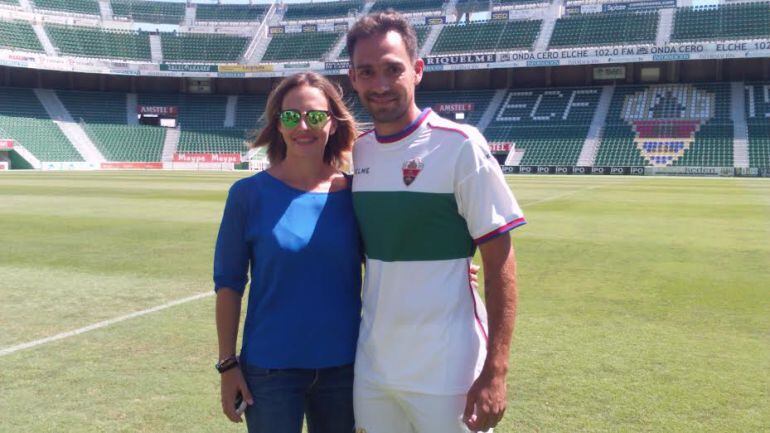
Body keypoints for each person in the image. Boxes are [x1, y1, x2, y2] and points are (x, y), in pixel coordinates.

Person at [346, 11, 526, 433]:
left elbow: (500, 260)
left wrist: (497, 369)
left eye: (393, 69)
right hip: (374, 369)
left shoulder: (461, 146)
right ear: (353, 78)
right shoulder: (359, 152)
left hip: (450, 372)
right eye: (367, 72)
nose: (381, 84)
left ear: (418, 70)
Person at [213, 72, 360, 433]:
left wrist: (446, 271)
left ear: (333, 122)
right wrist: (228, 365)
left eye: (315, 115)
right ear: (278, 125)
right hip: (269, 371)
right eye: (291, 116)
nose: (303, 126)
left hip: (345, 368)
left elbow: (390, 260)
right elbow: (229, 285)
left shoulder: (358, 195)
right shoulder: (247, 195)